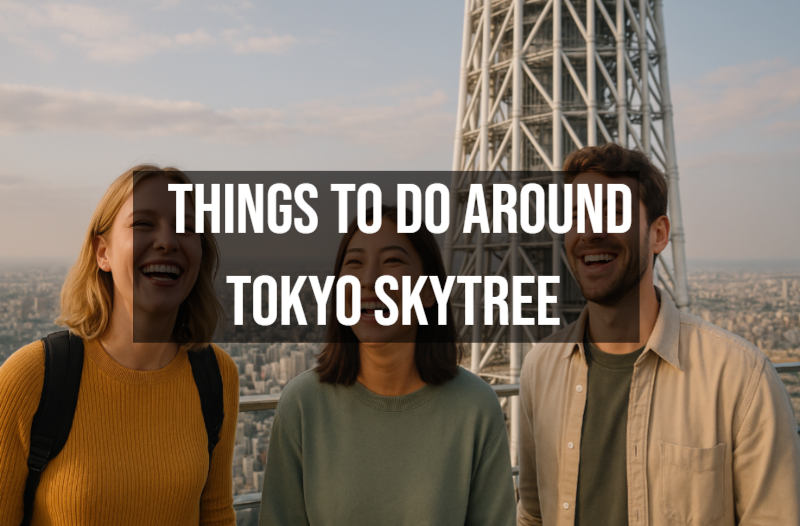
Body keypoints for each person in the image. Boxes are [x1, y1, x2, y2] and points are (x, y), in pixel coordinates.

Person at [516, 143, 800, 526]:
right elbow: (533, 515)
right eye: (575, 216)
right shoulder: (540, 369)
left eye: (614, 213)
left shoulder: (740, 378)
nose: (590, 231)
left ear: (659, 234)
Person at [0, 166, 240, 526]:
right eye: (143, 223)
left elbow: (216, 515)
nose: (167, 241)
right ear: (103, 253)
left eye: (187, 228)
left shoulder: (216, 375)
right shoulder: (31, 377)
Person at [259, 207, 517, 526]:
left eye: (392, 261)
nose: (369, 280)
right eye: (354, 263)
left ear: (429, 291)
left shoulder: (475, 407)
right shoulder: (302, 404)